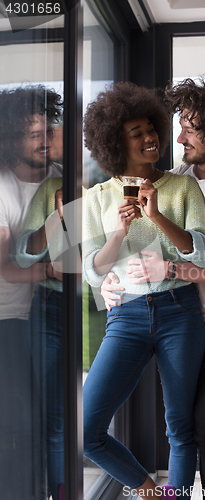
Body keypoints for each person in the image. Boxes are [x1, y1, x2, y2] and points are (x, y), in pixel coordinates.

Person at [101, 78, 205, 499]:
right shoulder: (178, 178)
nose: (179, 138)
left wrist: (171, 267)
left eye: (190, 129)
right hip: (184, 314)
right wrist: (110, 280)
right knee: (185, 424)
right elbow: (138, 239)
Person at [82, 82, 205, 500]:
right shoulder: (98, 198)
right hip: (127, 318)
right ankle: (151, 493)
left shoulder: (181, 187)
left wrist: (156, 216)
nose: (150, 137)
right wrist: (119, 233)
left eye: (150, 128)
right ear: (116, 143)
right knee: (86, 430)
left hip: (180, 311)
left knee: (180, 426)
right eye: (135, 133)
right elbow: (91, 270)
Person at [0, 85, 62, 500]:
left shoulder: (62, 182)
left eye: (46, 129)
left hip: (45, 316)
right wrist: (51, 270)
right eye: (30, 132)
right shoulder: (2, 188)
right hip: (5, 318)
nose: (42, 139)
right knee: (18, 424)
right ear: (9, 138)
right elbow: (2, 268)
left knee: (50, 421)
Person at [16, 177, 64, 500]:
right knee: (55, 419)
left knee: (87, 421)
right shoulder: (53, 189)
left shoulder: (109, 186)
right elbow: (22, 254)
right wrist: (56, 218)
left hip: (103, 308)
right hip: (52, 307)